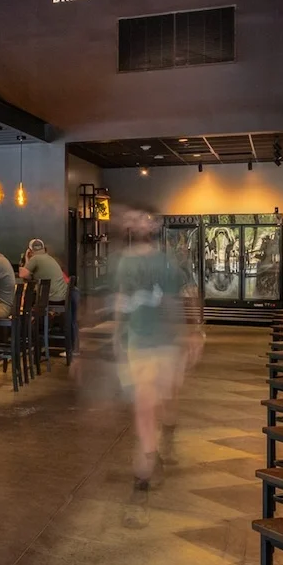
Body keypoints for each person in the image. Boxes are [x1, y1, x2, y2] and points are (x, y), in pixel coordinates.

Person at [109, 211, 197, 492]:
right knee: (147, 402)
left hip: (161, 339)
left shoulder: (164, 261)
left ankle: (153, 447)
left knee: (153, 401)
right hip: (151, 340)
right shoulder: (163, 261)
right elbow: (188, 295)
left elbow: (186, 295)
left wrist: (194, 331)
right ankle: (148, 457)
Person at [18, 238, 69, 303]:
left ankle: (28, 312)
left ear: (30, 251)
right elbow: (29, 276)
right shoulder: (48, 257)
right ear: (43, 248)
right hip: (61, 297)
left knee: (29, 296)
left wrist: (26, 257)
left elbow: (22, 274)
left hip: (51, 298)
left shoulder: (35, 258)